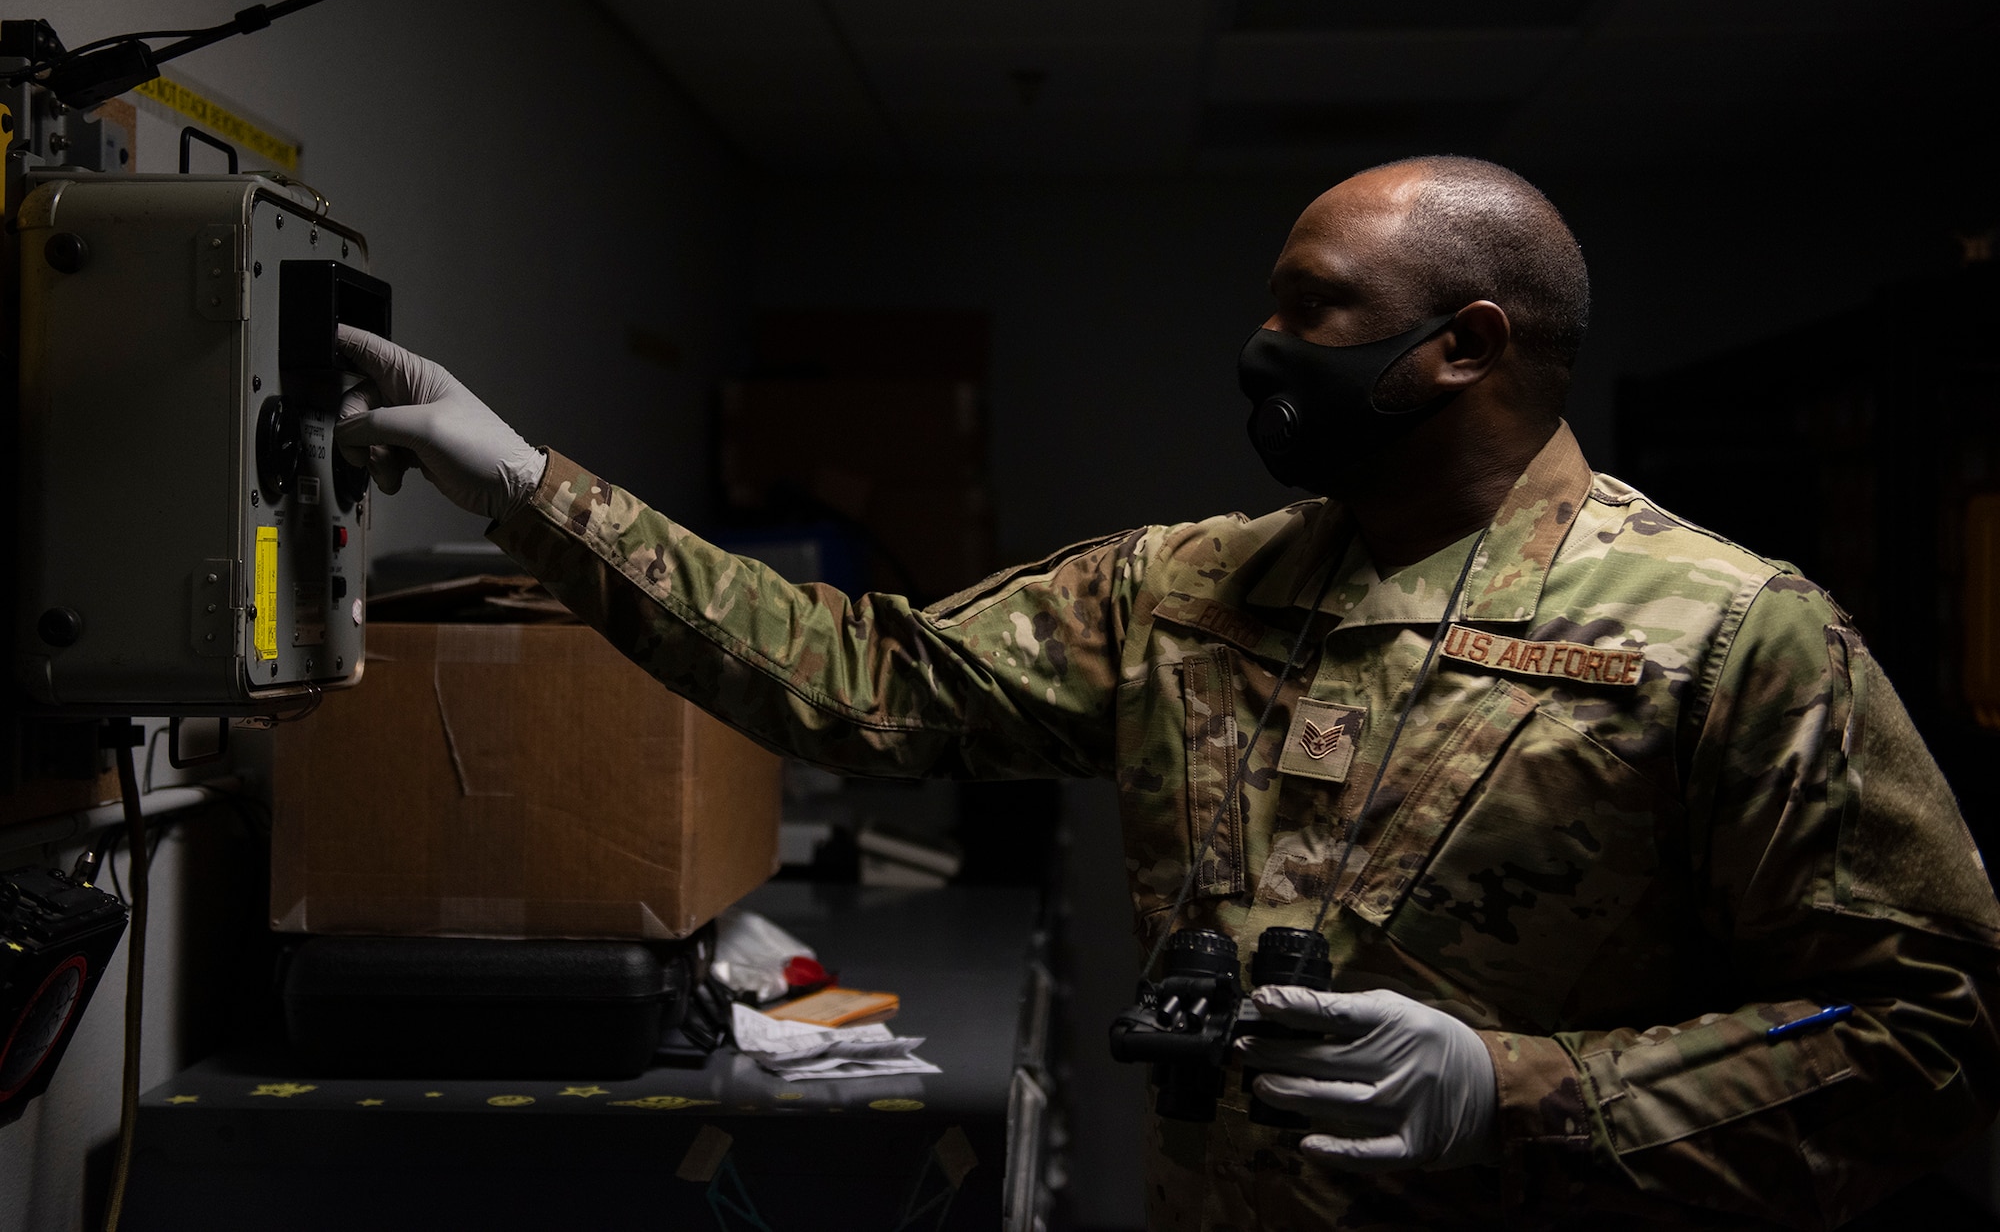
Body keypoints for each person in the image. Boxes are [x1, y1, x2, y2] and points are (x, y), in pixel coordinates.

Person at [336, 157, 2000, 1229]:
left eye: (1313, 310)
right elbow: (855, 681)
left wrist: (1519, 1091)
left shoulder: (1729, 635)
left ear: (1469, 345)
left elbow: (1931, 1034)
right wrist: (517, 482)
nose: (1265, 347)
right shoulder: (1187, 588)